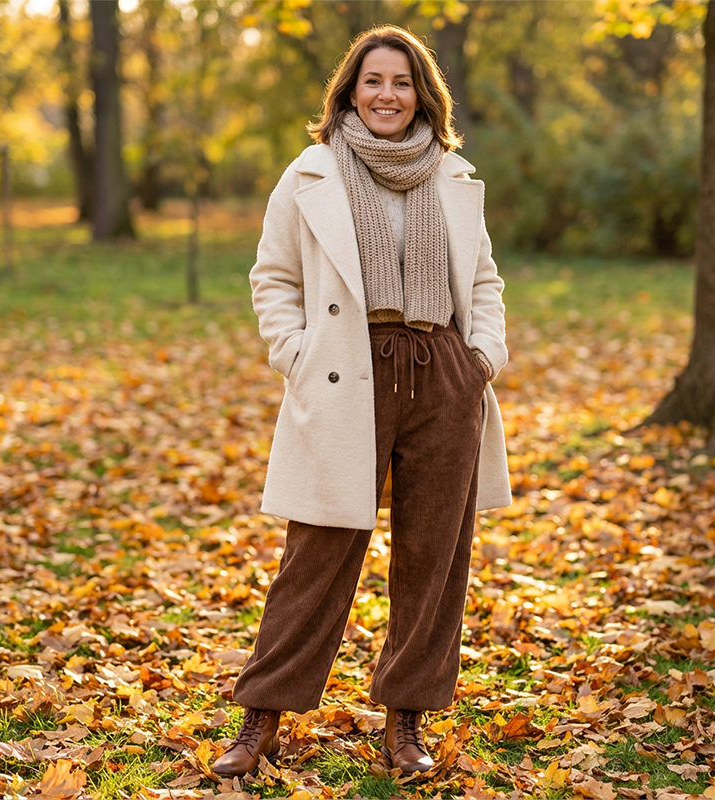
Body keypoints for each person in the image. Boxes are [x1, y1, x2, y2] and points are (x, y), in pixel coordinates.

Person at [211, 24, 511, 779]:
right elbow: (273, 277)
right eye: (374, 80)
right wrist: (296, 353)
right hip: (348, 371)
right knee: (317, 551)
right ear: (350, 91)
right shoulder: (311, 173)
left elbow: (482, 278)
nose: (387, 95)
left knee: (434, 555)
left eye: (402, 82)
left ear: (423, 96)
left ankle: (406, 720)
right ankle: (261, 718)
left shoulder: (452, 175)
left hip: (443, 374)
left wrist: (482, 359)